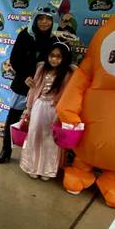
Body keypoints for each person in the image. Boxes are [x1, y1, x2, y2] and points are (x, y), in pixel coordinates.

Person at [0, 3, 59, 164]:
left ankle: (37, 156)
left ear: (53, 21)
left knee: (41, 121)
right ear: (35, 20)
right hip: (23, 84)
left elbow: (58, 62)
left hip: (44, 87)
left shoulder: (55, 40)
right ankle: (6, 149)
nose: (44, 22)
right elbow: (14, 59)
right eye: (41, 19)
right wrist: (25, 76)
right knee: (13, 116)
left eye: (48, 19)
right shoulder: (25, 35)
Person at [19, 43, 75, 180]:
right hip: (39, 106)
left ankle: (46, 170)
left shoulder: (68, 74)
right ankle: (32, 166)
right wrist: (29, 108)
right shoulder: (42, 68)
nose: (54, 59)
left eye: (58, 57)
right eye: (52, 56)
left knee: (50, 139)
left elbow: (68, 95)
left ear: (64, 58)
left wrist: (62, 113)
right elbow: (34, 89)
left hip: (54, 110)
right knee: (34, 135)